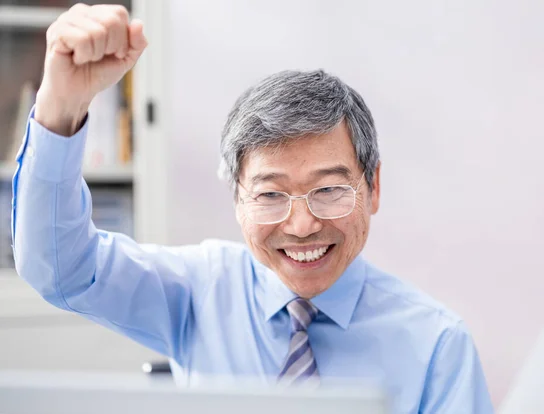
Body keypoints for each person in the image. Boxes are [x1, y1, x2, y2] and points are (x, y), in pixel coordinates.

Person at [12, 4, 494, 413]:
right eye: (270, 194)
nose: (302, 225)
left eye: (328, 190)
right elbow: (60, 269)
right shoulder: (197, 291)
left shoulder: (437, 345)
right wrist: (61, 107)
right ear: (238, 199)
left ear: (373, 187)